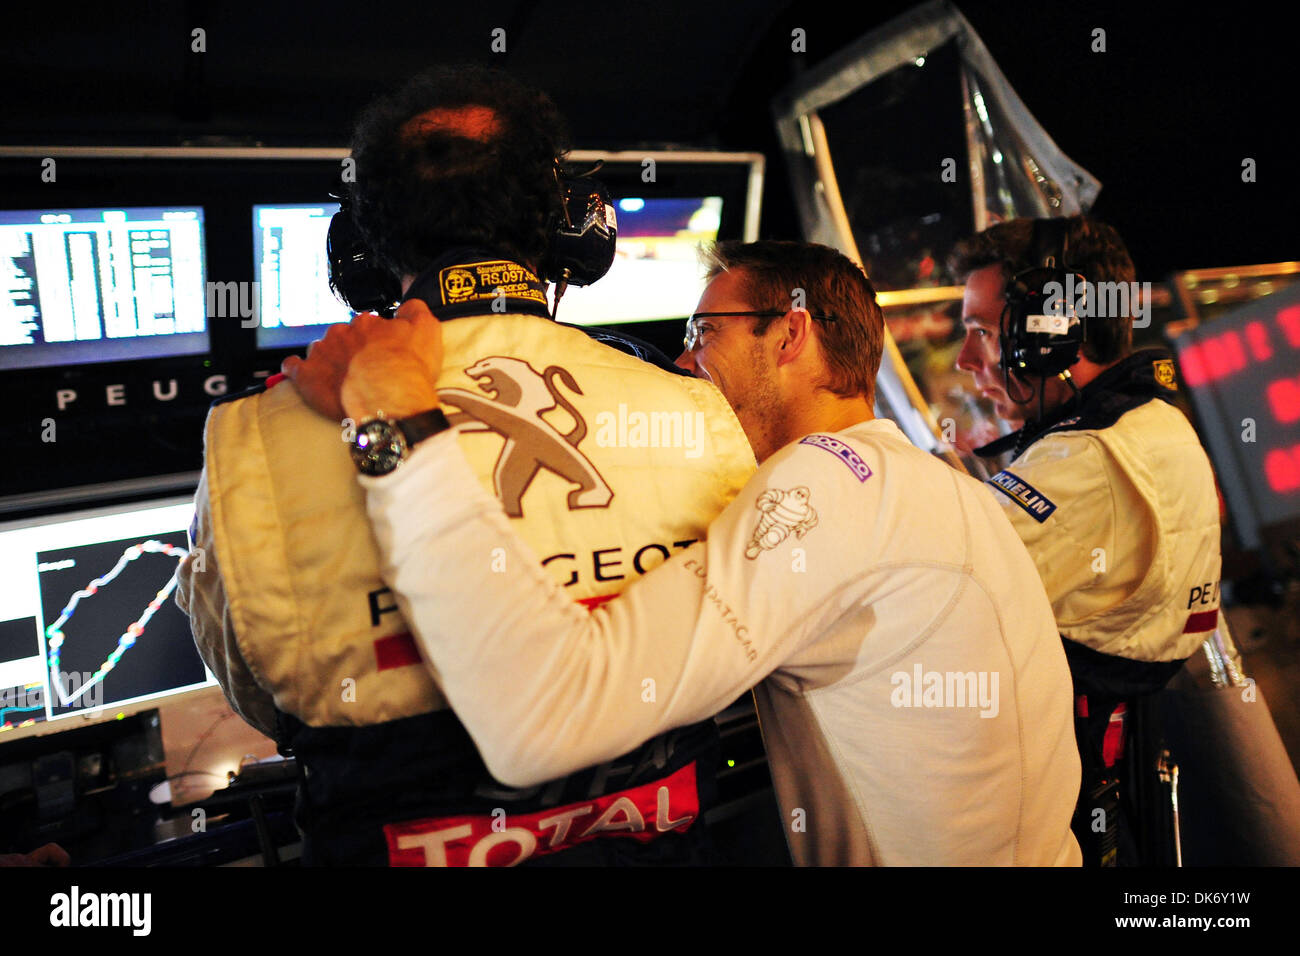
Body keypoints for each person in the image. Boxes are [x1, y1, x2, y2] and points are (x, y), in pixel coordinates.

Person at [288, 240, 1084, 865]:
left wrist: (394, 407)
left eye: (704, 332)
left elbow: (545, 719)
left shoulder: (824, 487)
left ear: (792, 334)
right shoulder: (915, 473)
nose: (681, 361)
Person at [175, 65, 757, 866]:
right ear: (568, 225)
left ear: (361, 247)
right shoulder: (693, 409)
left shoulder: (252, 435)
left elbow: (260, 690)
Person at [950, 216, 1223, 864]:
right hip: (1116, 779)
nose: (965, 360)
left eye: (982, 333)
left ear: (1049, 335)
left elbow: (936, 599)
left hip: (1057, 803)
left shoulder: (1087, 463)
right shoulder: (1150, 419)